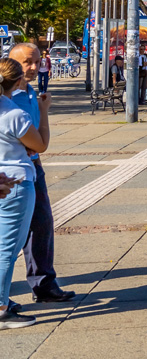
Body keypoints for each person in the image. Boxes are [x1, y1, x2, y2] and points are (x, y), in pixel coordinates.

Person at [7, 44, 73, 310]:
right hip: (11, 171)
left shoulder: (30, 90)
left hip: (33, 165)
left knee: (42, 224)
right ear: (10, 64)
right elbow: (37, 141)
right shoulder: (7, 97)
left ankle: (44, 284)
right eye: (27, 62)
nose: (34, 67)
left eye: (36, 61)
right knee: (9, 236)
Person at [0, 57, 48, 328]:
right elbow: (40, 145)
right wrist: (45, 110)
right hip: (15, 184)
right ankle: (1, 308)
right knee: (7, 249)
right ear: (17, 81)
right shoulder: (12, 114)